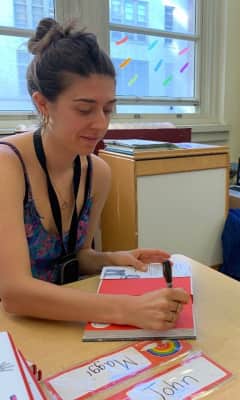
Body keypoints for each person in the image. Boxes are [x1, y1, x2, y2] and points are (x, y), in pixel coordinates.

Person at [0, 18, 189, 330]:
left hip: (58, 322)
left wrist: (113, 258)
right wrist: (129, 309)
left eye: (108, 109)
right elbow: (15, 294)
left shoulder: (97, 172)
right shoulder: (8, 166)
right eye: (84, 110)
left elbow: (77, 256)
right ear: (43, 104)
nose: (101, 124)